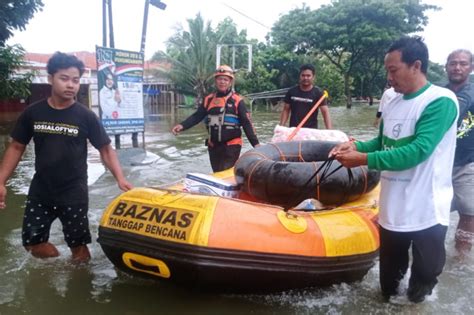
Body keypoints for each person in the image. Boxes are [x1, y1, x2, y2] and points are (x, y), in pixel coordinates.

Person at [329, 36, 458, 303]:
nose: (389, 78)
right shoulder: (392, 102)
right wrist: (353, 146)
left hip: (426, 207)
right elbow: (382, 141)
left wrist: (363, 159)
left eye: (393, 70)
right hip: (393, 205)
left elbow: (418, 151)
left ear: (416, 66)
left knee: (422, 285)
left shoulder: (440, 101)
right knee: (389, 286)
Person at [0, 52, 133, 263]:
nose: (71, 85)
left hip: (73, 191)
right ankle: (58, 263)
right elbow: (16, 147)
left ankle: (79, 281)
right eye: (64, 78)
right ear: (50, 78)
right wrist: (1, 181)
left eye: (75, 80)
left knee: (78, 246)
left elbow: (106, 149)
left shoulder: (85, 115)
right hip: (41, 190)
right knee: (32, 243)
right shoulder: (33, 112)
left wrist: (120, 178)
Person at [172, 65, 259, 172]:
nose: (222, 82)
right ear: (215, 81)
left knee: (224, 172)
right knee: (217, 172)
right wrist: (182, 126)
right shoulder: (208, 100)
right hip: (213, 145)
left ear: (230, 82)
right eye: (219, 79)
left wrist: (256, 145)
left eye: (225, 79)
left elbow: (247, 124)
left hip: (231, 145)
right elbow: (197, 116)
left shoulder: (237, 101)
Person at [445, 49, 474, 254]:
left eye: (463, 63)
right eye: (453, 63)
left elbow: (460, 104)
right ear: (446, 66)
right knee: (431, 209)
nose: (457, 67)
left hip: (466, 162)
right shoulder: (439, 92)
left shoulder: (471, 93)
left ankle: (461, 259)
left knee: (469, 212)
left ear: (471, 68)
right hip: (438, 163)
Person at [279, 64, 333, 129]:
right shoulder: (291, 91)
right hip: (294, 130)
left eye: (308, 76)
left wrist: (330, 131)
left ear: (313, 77)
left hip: (311, 131)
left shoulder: (318, 93)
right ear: (300, 76)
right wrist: (281, 128)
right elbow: (286, 110)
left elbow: (325, 112)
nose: (305, 78)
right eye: (303, 75)